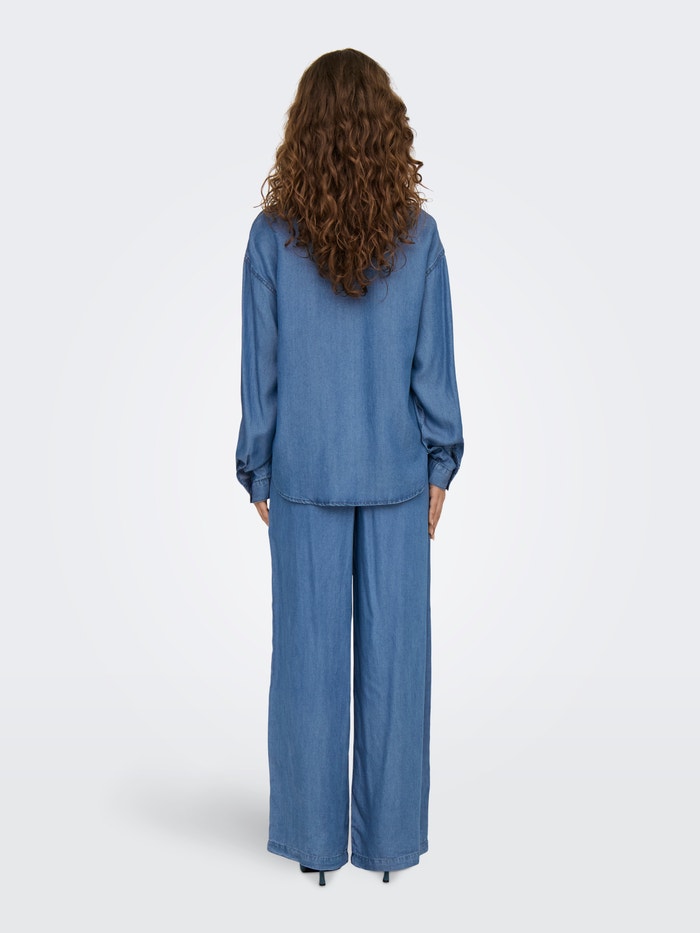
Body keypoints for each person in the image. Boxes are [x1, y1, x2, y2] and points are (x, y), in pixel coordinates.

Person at [235, 48, 464, 886]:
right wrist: (441, 463)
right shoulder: (419, 238)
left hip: (303, 477)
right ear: (387, 129)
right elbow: (432, 369)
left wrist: (258, 467)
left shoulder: (271, 239)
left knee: (306, 666)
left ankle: (314, 843)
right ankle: (389, 845)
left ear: (302, 132)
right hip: (399, 480)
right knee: (398, 669)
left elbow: (261, 370)